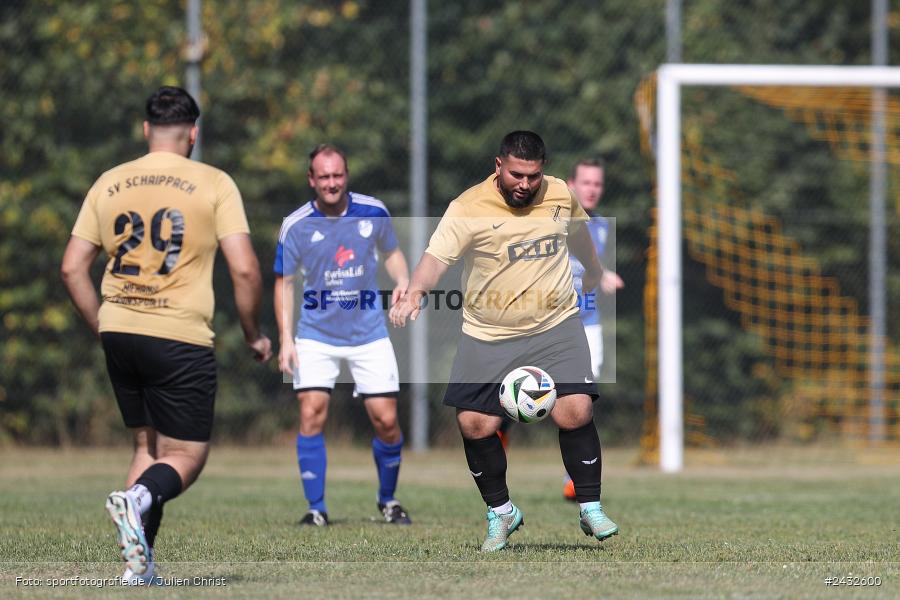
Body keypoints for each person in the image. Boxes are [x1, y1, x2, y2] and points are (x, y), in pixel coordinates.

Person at [60, 86, 272, 584]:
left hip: (119, 327)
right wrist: (252, 333)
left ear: (145, 129)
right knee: (186, 456)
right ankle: (135, 500)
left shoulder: (109, 182)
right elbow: (245, 271)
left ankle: (139, 566)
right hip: (178, 335)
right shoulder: (213, 182)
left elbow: (72, 269)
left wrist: (102, 325)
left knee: (147, 446)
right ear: (193, 133)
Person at [390, 131, 619, 552]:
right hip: (488, 333)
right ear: (499, 166)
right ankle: (502, 512)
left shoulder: (560, 194)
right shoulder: (468, 207)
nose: (525, 185)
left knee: (576, 409)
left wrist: (592, 269)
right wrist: (415, 295)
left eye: (533, 176)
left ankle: (590, 505)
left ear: (543, 170)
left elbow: (580, 234)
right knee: (475, 424)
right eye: (516, 175)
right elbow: (434, 260)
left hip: (556, 324)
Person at [274, 144, 412, 527]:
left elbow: (393, 253)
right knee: (311, 413)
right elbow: (283, 284)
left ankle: (388, 500)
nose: (332, 183)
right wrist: (286, 338)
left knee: (386, 420)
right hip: (315, 334)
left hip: (368, 332)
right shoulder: (295, 225)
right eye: (324, 177)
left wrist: (402, 280)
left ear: (346, 175)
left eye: (338, 175)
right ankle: (316, 508)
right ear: (311, 180)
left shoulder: (373, 211)